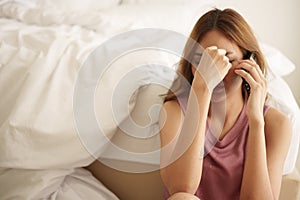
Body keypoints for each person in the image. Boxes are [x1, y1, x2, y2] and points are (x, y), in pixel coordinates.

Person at [159, 8, 292, 200]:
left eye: (228, 59)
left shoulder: (276, 123)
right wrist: (202, 90)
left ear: (248, 62)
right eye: (203, 61)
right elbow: (181, 188)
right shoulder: (174, 111)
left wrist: (255, 123)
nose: (214, 69)